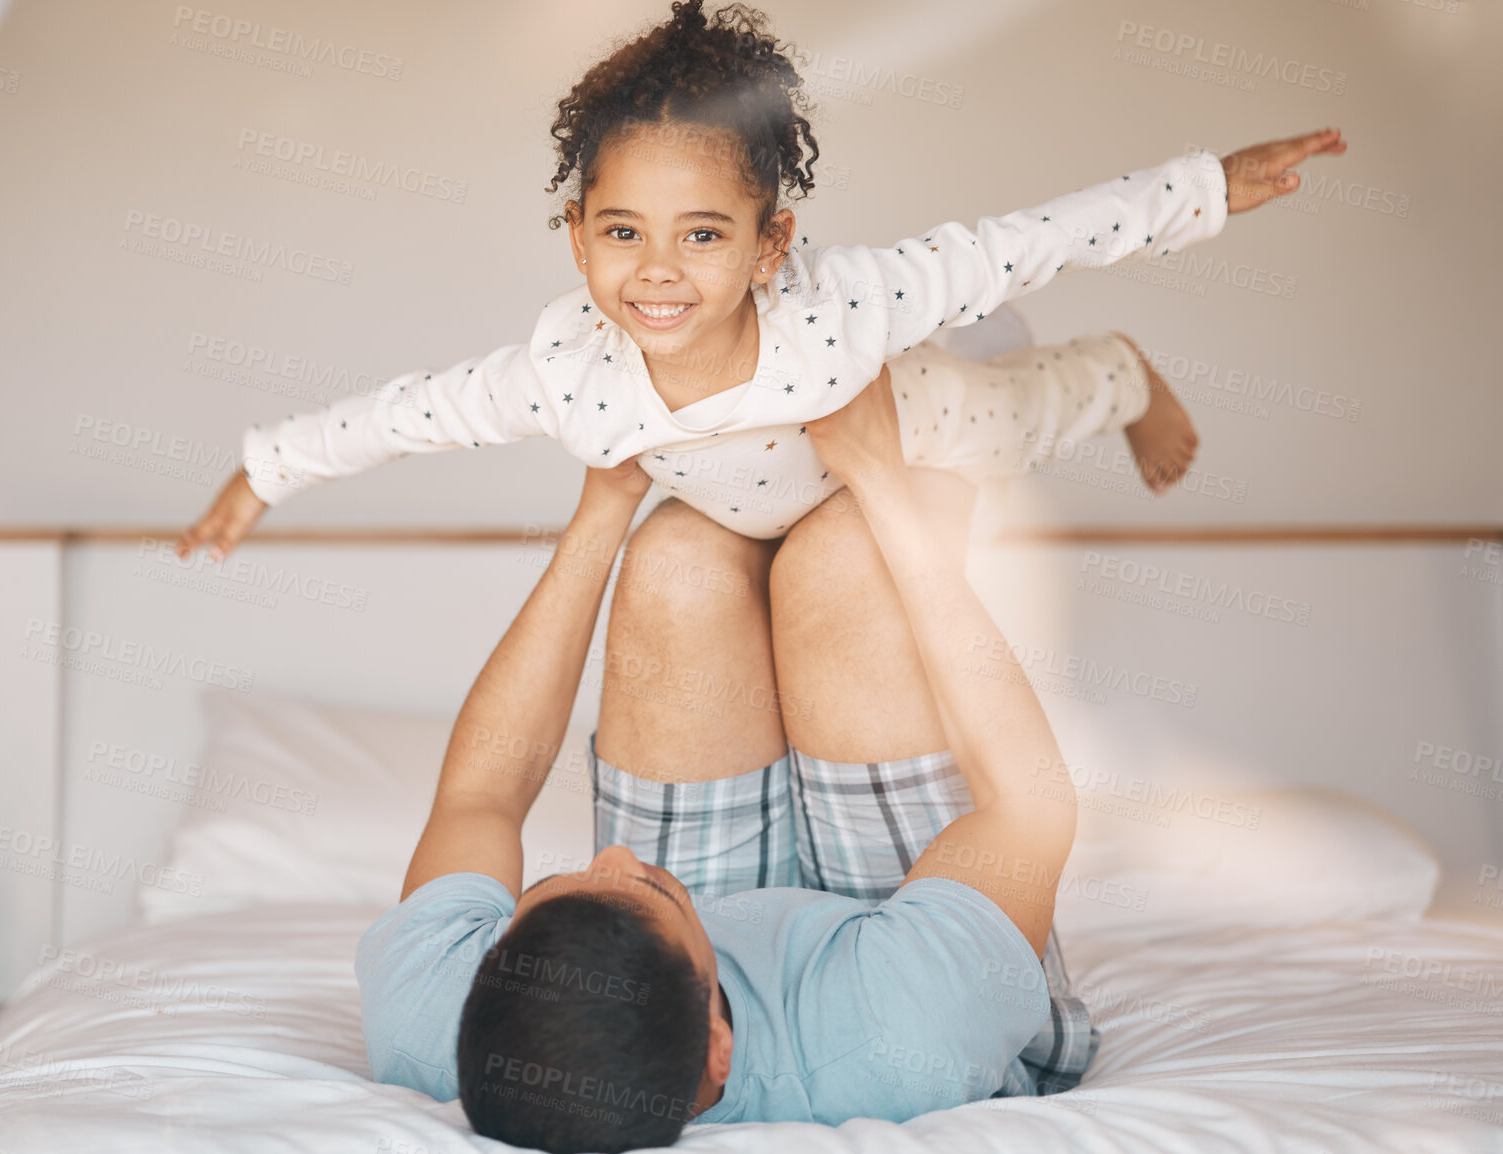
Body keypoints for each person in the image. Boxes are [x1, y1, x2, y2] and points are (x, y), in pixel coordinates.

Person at [177, 0, 1344, 562]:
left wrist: (1206, 186)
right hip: (764, 513)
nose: (658, 274)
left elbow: (1020, 239)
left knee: (1020, 411)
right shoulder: (569, 372)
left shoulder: (844, 300)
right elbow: (413, 411)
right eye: (624, 232)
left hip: (922, 420)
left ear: (770, 244)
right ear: (576, 235)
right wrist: (265, 469)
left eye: (702, 236)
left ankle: (1120, 373)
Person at [355, 367, 1111, 1152]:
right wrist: (883, 481)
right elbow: (1029, 804)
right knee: (849, 548)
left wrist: (603, 507)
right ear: (720, 1047)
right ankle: (982, 401)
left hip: (695, 950)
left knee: (677, 554)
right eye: (644, 885)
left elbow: (480, 795)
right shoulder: (906, 1028)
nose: (614, 855)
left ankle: (773, 434)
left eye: (561, 882)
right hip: (886, 950)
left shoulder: (429, 1013)